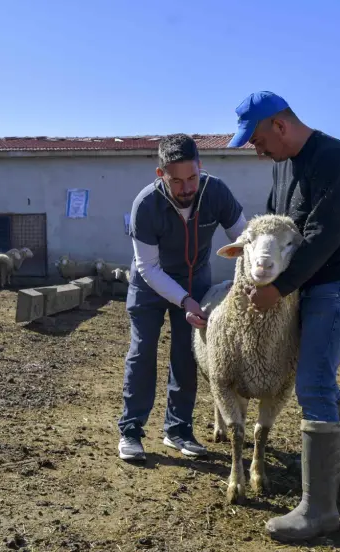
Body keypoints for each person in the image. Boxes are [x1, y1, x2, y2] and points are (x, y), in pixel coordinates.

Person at [227, 91, 340, 542]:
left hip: (332, 287)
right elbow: (277, 225)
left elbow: (323, 236)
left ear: (280, 126)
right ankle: (337, 476)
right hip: (302, 288)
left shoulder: (334, 159)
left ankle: (319, 511)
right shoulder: (283, 165)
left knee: (313, 383)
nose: (257, 150)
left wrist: (277, 290)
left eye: (258, 140)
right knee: (321, 377)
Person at [117, 133, 247, 462]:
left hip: (196, 278)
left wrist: (244, 283)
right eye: (176, 181)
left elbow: (244, 241)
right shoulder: (146, 205)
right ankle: (131, 430)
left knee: (187, 354)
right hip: (150, 282)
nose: (187, 188)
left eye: (192, 177)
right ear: (161, 174)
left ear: (200, 167)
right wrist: (184, 301)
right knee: (142, 351)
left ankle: (178, 430)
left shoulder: (217, 192)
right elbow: (148, 267)